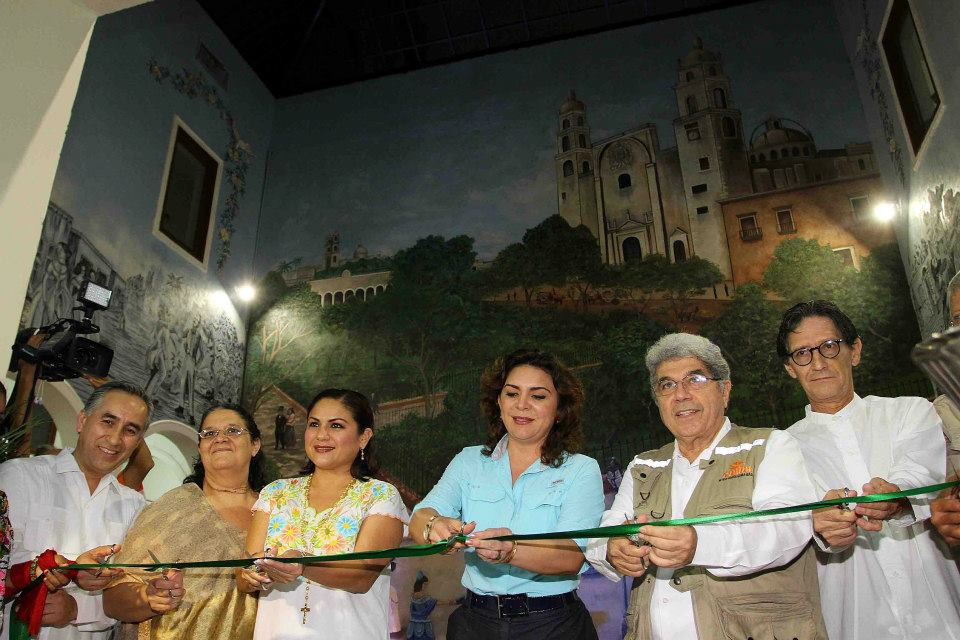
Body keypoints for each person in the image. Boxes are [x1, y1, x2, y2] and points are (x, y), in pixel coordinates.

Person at [586, 333, 824, 639]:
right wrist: (612, 549)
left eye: (695, 379)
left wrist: (698, 544)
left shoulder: (771, 445)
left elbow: (787, 527)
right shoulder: (644, 466)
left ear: (724, 391)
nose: (680, 394)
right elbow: (606, 533)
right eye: (666, 385)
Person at [778, 300, 960, 639]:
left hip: (943, 618)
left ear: (855, 350)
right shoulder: (781, 451)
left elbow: (922, 475)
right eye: (802, 353)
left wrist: (897, 496)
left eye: (829, 347)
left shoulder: (910, 411)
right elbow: (782, 528)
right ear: (791, 368)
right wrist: (817, 525)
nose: (817, 363)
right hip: (854, 623)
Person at [409, 349, 604, 640]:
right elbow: (420, 516)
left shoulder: (581, 469)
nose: (522, 405)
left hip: (553, 625)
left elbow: (572, 556)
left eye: (538, 396)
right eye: (512, 394)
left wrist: (511, 552)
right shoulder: (468, 461)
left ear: (560, 408)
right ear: (498, 402)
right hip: (473, 623)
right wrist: (432, 526)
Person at [237, 388, 407, 639]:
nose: (321, 435)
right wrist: (254, 573)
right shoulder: (275, 493)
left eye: (336, 426)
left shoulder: (381, 496)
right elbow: (243, 576)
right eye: (314, 424)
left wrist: (303, 565)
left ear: (364, 437)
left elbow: (361, 575)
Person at [0, 381, 151, 640]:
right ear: (82, 421)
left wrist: (78, 610)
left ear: (137, 443)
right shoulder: (20, 476)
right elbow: (5, 564)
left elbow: (136, 592)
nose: (115, 439)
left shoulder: (136, 508)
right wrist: (65, 569)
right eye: (107, 421)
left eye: (130, 430)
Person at [103, 403, 268, 639]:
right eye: (210, 433)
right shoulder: (174, 507)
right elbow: (113, 598)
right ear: (201, 448)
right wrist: (149, 598)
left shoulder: (276, 510)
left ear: (255, 445)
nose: (220, 438)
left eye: (233, 431)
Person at [406, 571, 436, 640]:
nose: (426, 586)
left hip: (413, 624)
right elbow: (436, 602)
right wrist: (452, 601)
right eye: (425, 584)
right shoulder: (426, 597)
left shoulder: (413, 596)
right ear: (421, 585)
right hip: (424, 625)